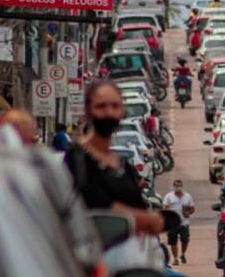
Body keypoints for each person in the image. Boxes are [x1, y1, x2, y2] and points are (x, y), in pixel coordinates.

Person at [64, 80, 164, 234]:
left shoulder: (124, 167)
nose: (109, 113)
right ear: (88, 111)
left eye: (114, 106)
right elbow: (95, 205)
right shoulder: (77, 158)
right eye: (101, 106)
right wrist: (145, 219)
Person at [163, 179, 195, 265]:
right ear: (173, 187)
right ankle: (175, 258)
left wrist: (188, 213)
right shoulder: (169, 196)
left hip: (184, 223)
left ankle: (183, 254)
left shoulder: (188, 196)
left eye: (179, 186)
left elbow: (192, 208)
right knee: (173, 242)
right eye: (176, 186)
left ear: (182, 186)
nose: (178, 188)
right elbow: (165, 208)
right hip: (172, 224)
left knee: (185, 240)